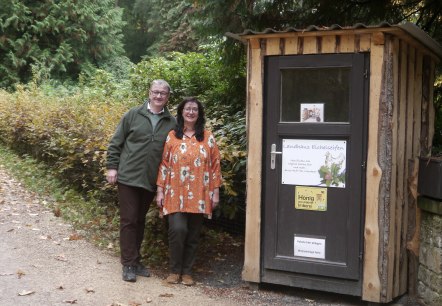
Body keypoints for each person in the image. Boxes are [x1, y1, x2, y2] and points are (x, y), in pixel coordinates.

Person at [106, 79, 177, 282]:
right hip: (128, 176)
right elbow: (116, 142)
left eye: (163, 93)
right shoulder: (133, 114)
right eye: (155, 92)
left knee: (139, 220)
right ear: (149, 93)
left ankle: (135, 261)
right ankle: (128, 263)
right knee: (128, 220)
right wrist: (112, 167)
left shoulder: (171, 122)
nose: (158, 96)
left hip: (150, 180)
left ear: (167, 96)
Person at [156, 97, 222, 286]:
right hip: (174, 192)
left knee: (193, 234)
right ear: (181, 112)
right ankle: (174, 270)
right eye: (187, 109)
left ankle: (187, 272)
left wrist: (215, 192)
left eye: (195, 109)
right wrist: (160, 191)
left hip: (200, 193)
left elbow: (215, 165)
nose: (191, 112)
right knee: (177, 229)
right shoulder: (172, 136)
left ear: (199, 113)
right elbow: (164, 164)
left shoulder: (207, 137)